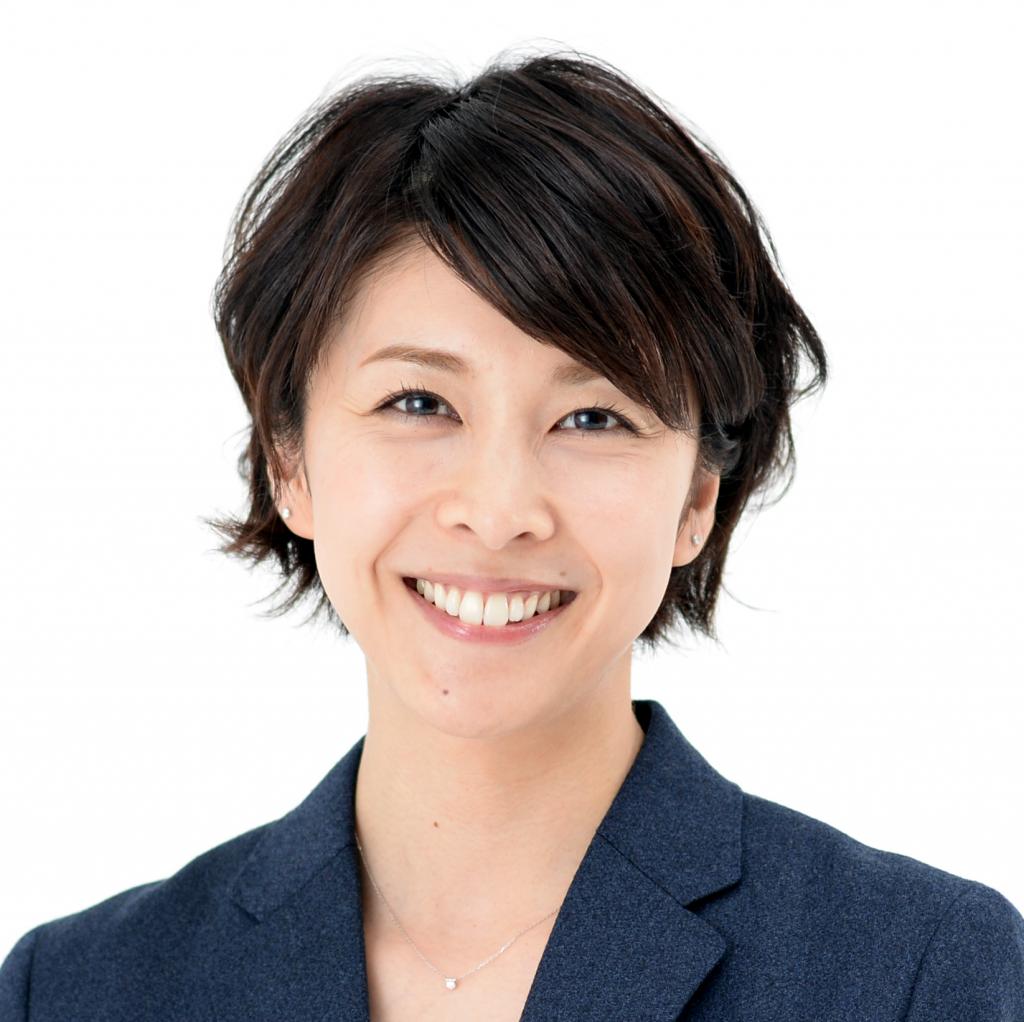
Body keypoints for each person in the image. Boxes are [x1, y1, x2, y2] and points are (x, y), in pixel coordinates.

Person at [2, 48, 1022, 1022]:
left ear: (697, 498)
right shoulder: (78, 990)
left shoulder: (919, 974)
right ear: (289, 463)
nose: (497, 511)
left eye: (594, 418)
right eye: (417, 402)